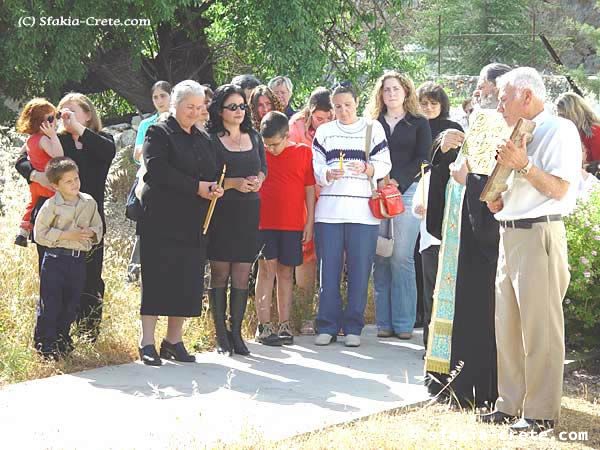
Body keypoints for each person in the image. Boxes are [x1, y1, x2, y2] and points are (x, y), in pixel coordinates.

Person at [479, 68, 581, 434]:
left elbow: (558, 189)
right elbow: (518, 191)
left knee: (541, 331)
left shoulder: (559, 130)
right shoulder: (517, 133)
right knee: (507, 327)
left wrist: (523, 164)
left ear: (526, 96)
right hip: (510, 233)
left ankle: (539, 412)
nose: (499, 103)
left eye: (504, 96)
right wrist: (499, 200)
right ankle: (509, 404)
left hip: (539, 235)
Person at [425, 63, 511, 409]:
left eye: (484, 87)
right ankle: (452, 378)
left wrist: (468, 181)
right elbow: (454, 168)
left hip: (482, 240)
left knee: (479, 310)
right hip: (459, 230)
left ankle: (475, 384)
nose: (478, 92)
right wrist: (442, 150)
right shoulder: (479, 121)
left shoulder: (503, 127)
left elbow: (496, 182)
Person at [15, 92, 116, 341]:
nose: (64, 116)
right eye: (61, 112)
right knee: (52, 279)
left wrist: (78, 128)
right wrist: (35, 175)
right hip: (54, 220)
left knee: (91, 278)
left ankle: (87, 334)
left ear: (88, 114)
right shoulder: (52, 139)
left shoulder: (100, 140)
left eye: (71, 111)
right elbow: (22, 160)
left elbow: (107, 152)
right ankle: (54, 337)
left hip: (88, 219)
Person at [137, 80, 223, 366]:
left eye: (200, 107)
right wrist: (196, 186)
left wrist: (212, 187)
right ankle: (146, 342)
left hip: (193, 220)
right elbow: (158, 170)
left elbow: (212, 170)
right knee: (157, 279)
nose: (195, 112)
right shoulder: (158, 132)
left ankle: (173, 341)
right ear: (175, 105)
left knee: (186, 281)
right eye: (190, 107)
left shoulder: (203, 137)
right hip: (160, 218)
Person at [312, 82, 391, 347]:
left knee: (359, 271)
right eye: (337, 106)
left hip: (363, 212)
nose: (343, 110)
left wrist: (368, 168)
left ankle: (354, 327)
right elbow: (316, 165)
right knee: (328, 271)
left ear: (356, 102)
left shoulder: (372, 128)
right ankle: (327, 325)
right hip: (329, 213)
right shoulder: (324, 132)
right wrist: (326, 174)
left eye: (347, 105)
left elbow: (384, 162)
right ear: (331, 108)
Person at [366, 71, 432, 340]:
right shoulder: (371, 123)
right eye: (386, 90)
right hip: (375, 192)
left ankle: (404, 324)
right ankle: (384, 322)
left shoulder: (419, 123)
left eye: (396, 89)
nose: (391, 93)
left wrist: (398, 181)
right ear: (380, 94)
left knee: (401, 257)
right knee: (381, 257)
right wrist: (380, 180)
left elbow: (423, 158)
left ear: (406, 92)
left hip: (407, 192)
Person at [207, 84, 267, 356]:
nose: (239, 111)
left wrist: (257, 182)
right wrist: (233, 183)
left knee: (243, 272)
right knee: (221, 272)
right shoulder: (210, 139)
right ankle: (220, 335)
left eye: (242, 106)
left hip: (248, 211)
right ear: (220, 111)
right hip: (222, 211)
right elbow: (208, 177)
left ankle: (236, 333)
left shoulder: (254, 137)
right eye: (233, 107)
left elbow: (263, 168)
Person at [254, 111, 316, 345]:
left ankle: (284, 325)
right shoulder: (259, 154)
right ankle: (264, 325)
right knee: (266, 271)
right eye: (266, 145)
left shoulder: (303, 153)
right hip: (263, 223)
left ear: (287, 135)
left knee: (285, 273)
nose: (270, 149)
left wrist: (309, 221)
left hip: (292, 224)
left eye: (275, 144)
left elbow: (309, 188)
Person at [33, 157, 103, 359]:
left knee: (71, 303)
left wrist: (91, 232)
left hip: (77, 260)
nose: (75, 184)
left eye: (76, 178)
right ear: (55, 185)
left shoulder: (89, 202)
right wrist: (67, 235)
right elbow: (40, 234)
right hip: (55, 260)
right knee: (51, 302)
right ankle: (45, 344)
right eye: (68, 181)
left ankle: (62, 341)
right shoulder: (51, 205)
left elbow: (98, 227)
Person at [415, 82, 463, 350]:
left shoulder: (453, 127)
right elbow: (420, 160)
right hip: (423, 202)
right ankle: (426, 333)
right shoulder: (415, 126)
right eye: (424, 103)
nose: (429, 108)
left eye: (434, 103)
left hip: (449, 204)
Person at [289, 87, 334, 334]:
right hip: (304, 199)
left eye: (329, 118)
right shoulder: (295, 126)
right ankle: (305, 315)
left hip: (332, 198)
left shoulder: (342, 126)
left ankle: (329, 315)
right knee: (306, 256)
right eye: (319, 119)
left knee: (333, 256)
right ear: (309, 112)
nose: (325, 123)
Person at [127, 81, 172, 283]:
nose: (160, 101)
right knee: (145, 228)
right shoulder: (147, 124)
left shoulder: (179, 122)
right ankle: (134, 272)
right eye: (156, 97)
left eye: (163, 95)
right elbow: (137, 154)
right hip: (148, 182)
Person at [14, 98, 64, 247]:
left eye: (57, 116)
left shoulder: (30, 140)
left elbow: (20, 157)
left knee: (32, 203)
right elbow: (58, 154)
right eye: (51, 118)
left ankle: (23, 230)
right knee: (54, 204)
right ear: (39, 122)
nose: (54, 121)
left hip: (35, 182)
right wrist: (53, 136)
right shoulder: (43, 139)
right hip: (46, 181)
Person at [555, 92, 600, 164]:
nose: (561, 119)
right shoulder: (570, 133)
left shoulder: (594, 132)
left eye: (563, 115)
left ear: (575, 113)